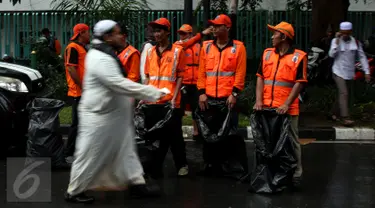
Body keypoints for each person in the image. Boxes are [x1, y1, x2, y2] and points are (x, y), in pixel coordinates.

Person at [65, 20, 166, 204]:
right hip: (99, 116)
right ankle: (74, 191)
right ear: (107, 36)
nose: (122, 36)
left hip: (112, 115)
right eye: (118, 33)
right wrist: (152, 92)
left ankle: (137, 184)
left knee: (127, 150)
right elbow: (118, 83)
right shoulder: (100, 58)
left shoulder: (105, 53)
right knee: (89, 154)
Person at [254, 21, 308, 187]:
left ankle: (296, 174)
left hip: (287, 109)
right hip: (268, 107)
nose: (272, 36)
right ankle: (273, 172)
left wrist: (286, 104)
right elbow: (260, 77)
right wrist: (258, 100)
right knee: (269, 141)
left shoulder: (299, 56)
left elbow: (300, 82)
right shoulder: (267, 54)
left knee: (291, 141)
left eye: (275, 33)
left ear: (284, 36)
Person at [197, 14, 248, 178]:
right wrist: (201, 93)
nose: (214, 28)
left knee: (229, 134)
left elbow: (240, 73)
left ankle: (229, 165)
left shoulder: (238, 48)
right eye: (213, 25)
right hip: (209, 98)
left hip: (227, 99)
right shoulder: (206, 47)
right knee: (209, 134)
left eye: (218, 26)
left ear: (227, 28)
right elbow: (201, 72)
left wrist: (234, 94)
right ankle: (211, 164)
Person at [142, 17, 189, 178]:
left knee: (175, 135)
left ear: (167, 32)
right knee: (155, 136)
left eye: (160, 30)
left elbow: (180, 77)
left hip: (171, 102)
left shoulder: (177, 51)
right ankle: (156, 166)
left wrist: (175, 98)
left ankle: (181, 165)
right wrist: (144, 95)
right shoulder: (149, 52)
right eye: (155, 31)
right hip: (154, 101)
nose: (156, 34)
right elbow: (148, 76)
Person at [174, 24, 212, 141]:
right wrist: (201, 34)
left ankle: (197, 132)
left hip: (196, 83)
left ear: (190, 34)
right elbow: (185, 44)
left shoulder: (198, 46)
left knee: (197, 109)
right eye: (180, 33)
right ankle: (176, 133)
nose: (181, 35)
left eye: (184, 33)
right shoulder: (177, 45)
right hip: (183, 82)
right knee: (179, 109)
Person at [328, 21, 370, 126]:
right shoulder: (335, 41)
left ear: (351, 32)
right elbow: (331, 55)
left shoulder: (355, 42)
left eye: (347, 33)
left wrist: (367, 72)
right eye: (343, 33)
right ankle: (345, 118)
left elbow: (362, 57)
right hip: (338, 71)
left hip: (350, 73)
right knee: (344, 93)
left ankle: (332, 113)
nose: (345, 35)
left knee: (342, 94)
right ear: (340, 32)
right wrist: (337, 41)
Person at [63, 23, 90, 162]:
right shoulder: (73, 47)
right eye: (88, 32)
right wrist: (82, 86)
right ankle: (69, 153)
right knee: (76, 123)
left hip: (82, 91)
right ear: (81, 33)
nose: (89, 35)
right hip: (77, 92)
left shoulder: (81, 48)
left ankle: (78, 151)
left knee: (82, 123)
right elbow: (71, 69)